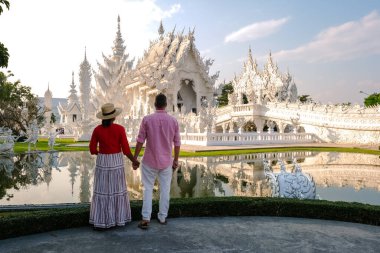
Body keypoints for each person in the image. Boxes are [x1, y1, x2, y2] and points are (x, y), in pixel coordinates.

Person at [133, 93, 181, 229]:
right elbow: (177, 143)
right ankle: (162, 217)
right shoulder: (173, 121)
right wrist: (175, 160)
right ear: (166, 105)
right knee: (165, 190)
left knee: (147, 189)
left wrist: (135, 158)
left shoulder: (147, 119)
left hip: (149, 161)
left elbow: (140, 140)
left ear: (155, 105)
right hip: (166, 162)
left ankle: (146, 218)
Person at [89, 103, 139, 230]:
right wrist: (134, 161)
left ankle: (101, 221)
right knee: (116, 190)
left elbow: (92, 149)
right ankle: (118, 219)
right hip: (116, 161)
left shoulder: (97, 130)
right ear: (114, 117)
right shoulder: (120, 129)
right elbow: (126, 150)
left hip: (103, 161)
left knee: (103, 191)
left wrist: (100, 153)